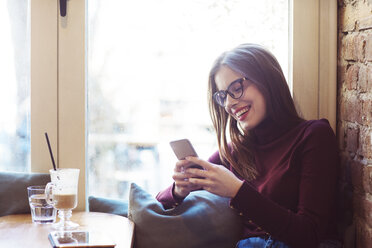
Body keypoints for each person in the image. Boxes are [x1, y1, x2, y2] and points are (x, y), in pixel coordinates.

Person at [156, 43, 340, 248]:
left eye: (236, 88)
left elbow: (309, 234)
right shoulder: (235, 152)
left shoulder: (313, 136)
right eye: (223, 96)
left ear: (267, 80)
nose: (229, 104)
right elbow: (157, 204)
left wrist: (237, 190)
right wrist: (179, 189)